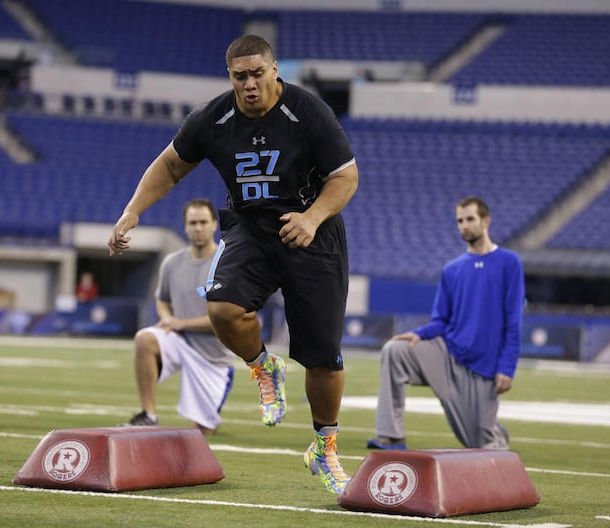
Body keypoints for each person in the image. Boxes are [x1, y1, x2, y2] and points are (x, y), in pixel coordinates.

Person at [107, 35, 358, 495]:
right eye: (239, 76)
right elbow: (169, 166)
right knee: (222, 307)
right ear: (230, 78)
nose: (249, 85)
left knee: (323, 357)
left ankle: (324, 448)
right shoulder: (213, 118)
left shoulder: (308, 111)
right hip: (251, 230)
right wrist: (132, 210)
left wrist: (312, 216)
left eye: (256, 74)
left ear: (274, 70)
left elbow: (346, 177)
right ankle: (264, 367)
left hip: (312, 234)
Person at [366, 196, 524, 451]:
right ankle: (391, 436)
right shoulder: (452, 269)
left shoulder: (509, 263)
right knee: (394, 351)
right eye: (460, 221)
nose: (464, 225)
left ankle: (492, 428)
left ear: (486, 221)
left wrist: (507, 367)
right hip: (447, 354)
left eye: (470, 219)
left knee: (484, 445)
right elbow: (441, 320)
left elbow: (513, 320)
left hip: (483, 366)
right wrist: (418, 334)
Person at [120, 198, 236, 435]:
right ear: (185, 226)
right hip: (181, 340)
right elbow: (162, 298)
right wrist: (166, 318)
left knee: (203, 431)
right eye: (193, 223)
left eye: (203, 222)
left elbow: (225, 318)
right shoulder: (172, 263)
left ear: (215, 225)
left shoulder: (227, 263)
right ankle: (148, 414)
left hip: (213, 356)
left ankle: (207, 415)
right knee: (145, 338)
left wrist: (178, 322)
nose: (198, 228)